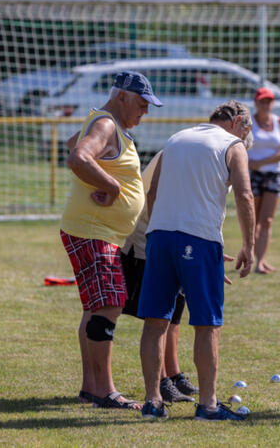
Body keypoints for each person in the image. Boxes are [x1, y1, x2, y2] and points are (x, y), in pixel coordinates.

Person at [138, 100, 255, 421]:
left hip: (159, 236)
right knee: (207, 324)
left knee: (155, 322)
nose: (246, 140)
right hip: (199, 240)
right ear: (239, 122)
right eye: (247, 132)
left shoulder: (176, 138)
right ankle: (208, 405)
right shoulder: (233, 145)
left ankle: (152, 402)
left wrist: (157, 232)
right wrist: (249, 244)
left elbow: (152, 192)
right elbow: (245, 194)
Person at [60, 71, 162, 410]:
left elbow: (72, 145)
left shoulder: (104, 124)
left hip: (96, 230)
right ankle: (104, 391)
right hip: (94, 231)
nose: (145, 111)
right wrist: (113, 186)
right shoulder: (106, 125)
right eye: (142, 104)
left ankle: (91, 387)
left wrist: (103, 179)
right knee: (109, 304)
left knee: (95, 307)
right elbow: (78, 157)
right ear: (121, 97)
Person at [121, 151, 198, 403]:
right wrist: (159, 240)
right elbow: (153, 196)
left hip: (177, 235)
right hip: (150, 236)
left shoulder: (211, 151)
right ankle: (162, 381)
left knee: (176, 308)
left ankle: (173, 374)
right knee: (159, 315)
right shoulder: (185, 153)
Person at [247, 87, 280, 274]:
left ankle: (261, 262)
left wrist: (261, 162)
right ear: (256, 102)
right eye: (263, 101)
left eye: (269, 101)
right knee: (253, 220)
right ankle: (251, 258)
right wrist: (250, 164)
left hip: (274, 174)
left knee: (267, 220)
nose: (266, 104)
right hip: (253, 174)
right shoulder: (249, 123)